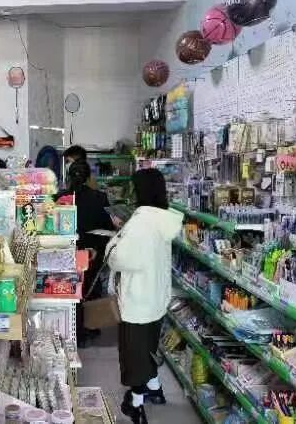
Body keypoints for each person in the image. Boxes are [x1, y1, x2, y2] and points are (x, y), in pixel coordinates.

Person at [106, 168, 183, 424]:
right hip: (155, 296)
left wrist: (116, 239)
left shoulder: (141, 222)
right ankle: (155, 389)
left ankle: (136, 405)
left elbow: (121, 259)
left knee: (135, 354)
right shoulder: (161, 217)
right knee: (148, 347)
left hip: (137, 298)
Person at [54, 160, 114, 347]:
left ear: (68, 177)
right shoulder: (100, 198)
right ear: (89, 177)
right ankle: (89, 329)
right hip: (91, 253)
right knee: (89, 289)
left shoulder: (59, 197)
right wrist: (98, 249)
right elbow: (107, 228)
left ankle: (69, 331)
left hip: (66, 252)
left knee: (69, 291)